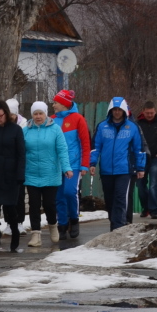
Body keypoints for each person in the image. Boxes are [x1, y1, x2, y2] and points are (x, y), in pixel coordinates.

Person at [90, 98, 146, 231]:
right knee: (109, 201)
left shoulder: (132, 127)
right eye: (114, 110)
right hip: (106, 170)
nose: (116, 112)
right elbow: (96, 147)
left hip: (124, 170)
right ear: (110, 111)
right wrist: (92, 163)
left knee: (120, 199)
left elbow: (139, 148)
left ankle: (118, 228)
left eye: (119, 110)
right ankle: (114, 223)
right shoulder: (102, 126)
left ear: (124, 111)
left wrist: (140, 167)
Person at [23, 101, 71, 248]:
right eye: (35, 114)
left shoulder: (55, 129)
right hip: (31, 173)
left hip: (50, 173)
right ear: (32, 115)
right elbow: (20, 151)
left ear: (46, 114)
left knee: (50, 204)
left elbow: (62, 150)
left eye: (41, 113)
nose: (38, 116)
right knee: (34, 205)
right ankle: (36, 235)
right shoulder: (25, 130)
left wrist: (66, 168)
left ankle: (52, 225)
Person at [0, 100, 26, 253]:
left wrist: (20, 175)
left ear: (6, 114)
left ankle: (15, 236)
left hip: (11, 175)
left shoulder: (16, 130)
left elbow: (21, 154)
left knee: (10, 209)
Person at [52, 89, 91, 240]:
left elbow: (85, 143)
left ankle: (74, 220)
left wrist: (84, 165)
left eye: (56, 102)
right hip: (57, 166)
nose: (53, 105)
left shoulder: (78, 119)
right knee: (59, 196)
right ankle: (62, 224)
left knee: (70, 192)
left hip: (73, 164)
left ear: (63, 104)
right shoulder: (52, 119)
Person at [135, 101, 157, 219]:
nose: (149, 115)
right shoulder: (138, 124)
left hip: (155, 158)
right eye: (147, 113)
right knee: (140, 185)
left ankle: (154, 210)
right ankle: (146, 208)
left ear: (155, 111)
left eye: (151, 113)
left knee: (153, 184)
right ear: (143, 112)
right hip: (141, 158)